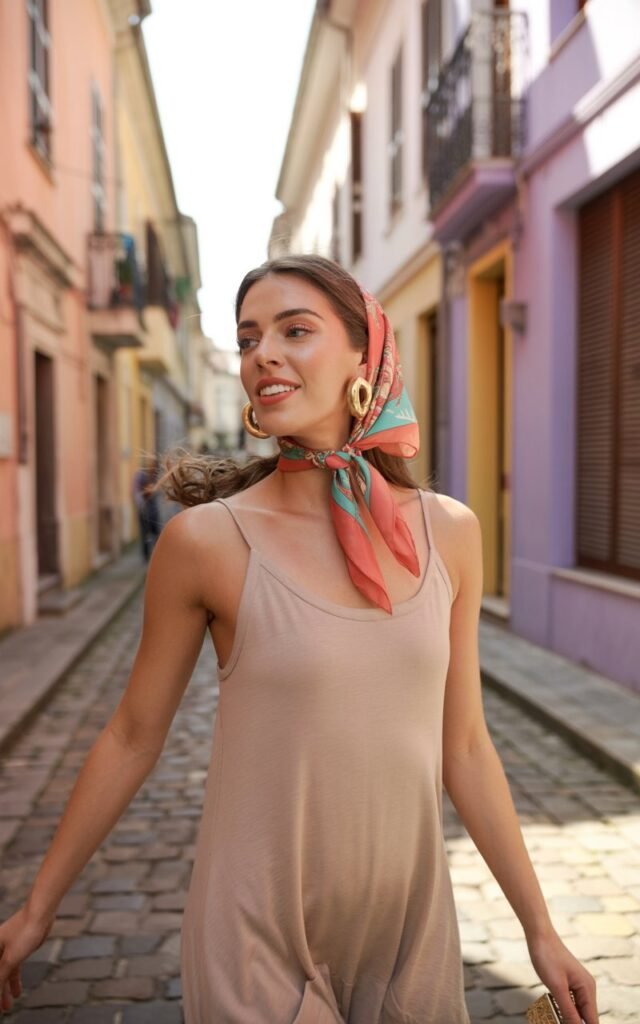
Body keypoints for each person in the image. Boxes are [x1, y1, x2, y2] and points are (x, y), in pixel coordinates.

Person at [0, 256, 598, 1023]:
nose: (263, 355)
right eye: (249, 339)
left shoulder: (450, 534)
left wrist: (540, 931)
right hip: (257, 936)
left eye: (295, 330)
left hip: (412, 929)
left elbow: (468, 748)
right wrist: (38, 909)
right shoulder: (205, 543)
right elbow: (131, 737)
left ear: (364, 356)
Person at [132, 456, 161, 561]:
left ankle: (156, 555)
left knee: (156, 533)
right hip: (144, 509)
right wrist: (142, 504)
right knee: (145, 534)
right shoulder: (141, 475)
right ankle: (146, 557)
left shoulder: (154, 477)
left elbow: (157, 491)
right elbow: (136, 492)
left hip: (153, 509)